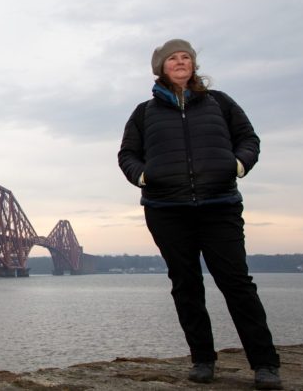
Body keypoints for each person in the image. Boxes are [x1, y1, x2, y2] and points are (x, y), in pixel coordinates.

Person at [117, 39, 283, 389]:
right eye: (173, 59)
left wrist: (237, 166)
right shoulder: (143, 112)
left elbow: (249, 139)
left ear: (193, 65)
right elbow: (127, 155)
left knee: (237, 284)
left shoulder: (220, 103)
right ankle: (203, 360)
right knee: (186, 286)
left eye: (186, 57)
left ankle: (265, 364)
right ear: (161, 67)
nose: (180, 62)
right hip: (166, 210)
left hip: (219, 205)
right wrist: (143, 176)